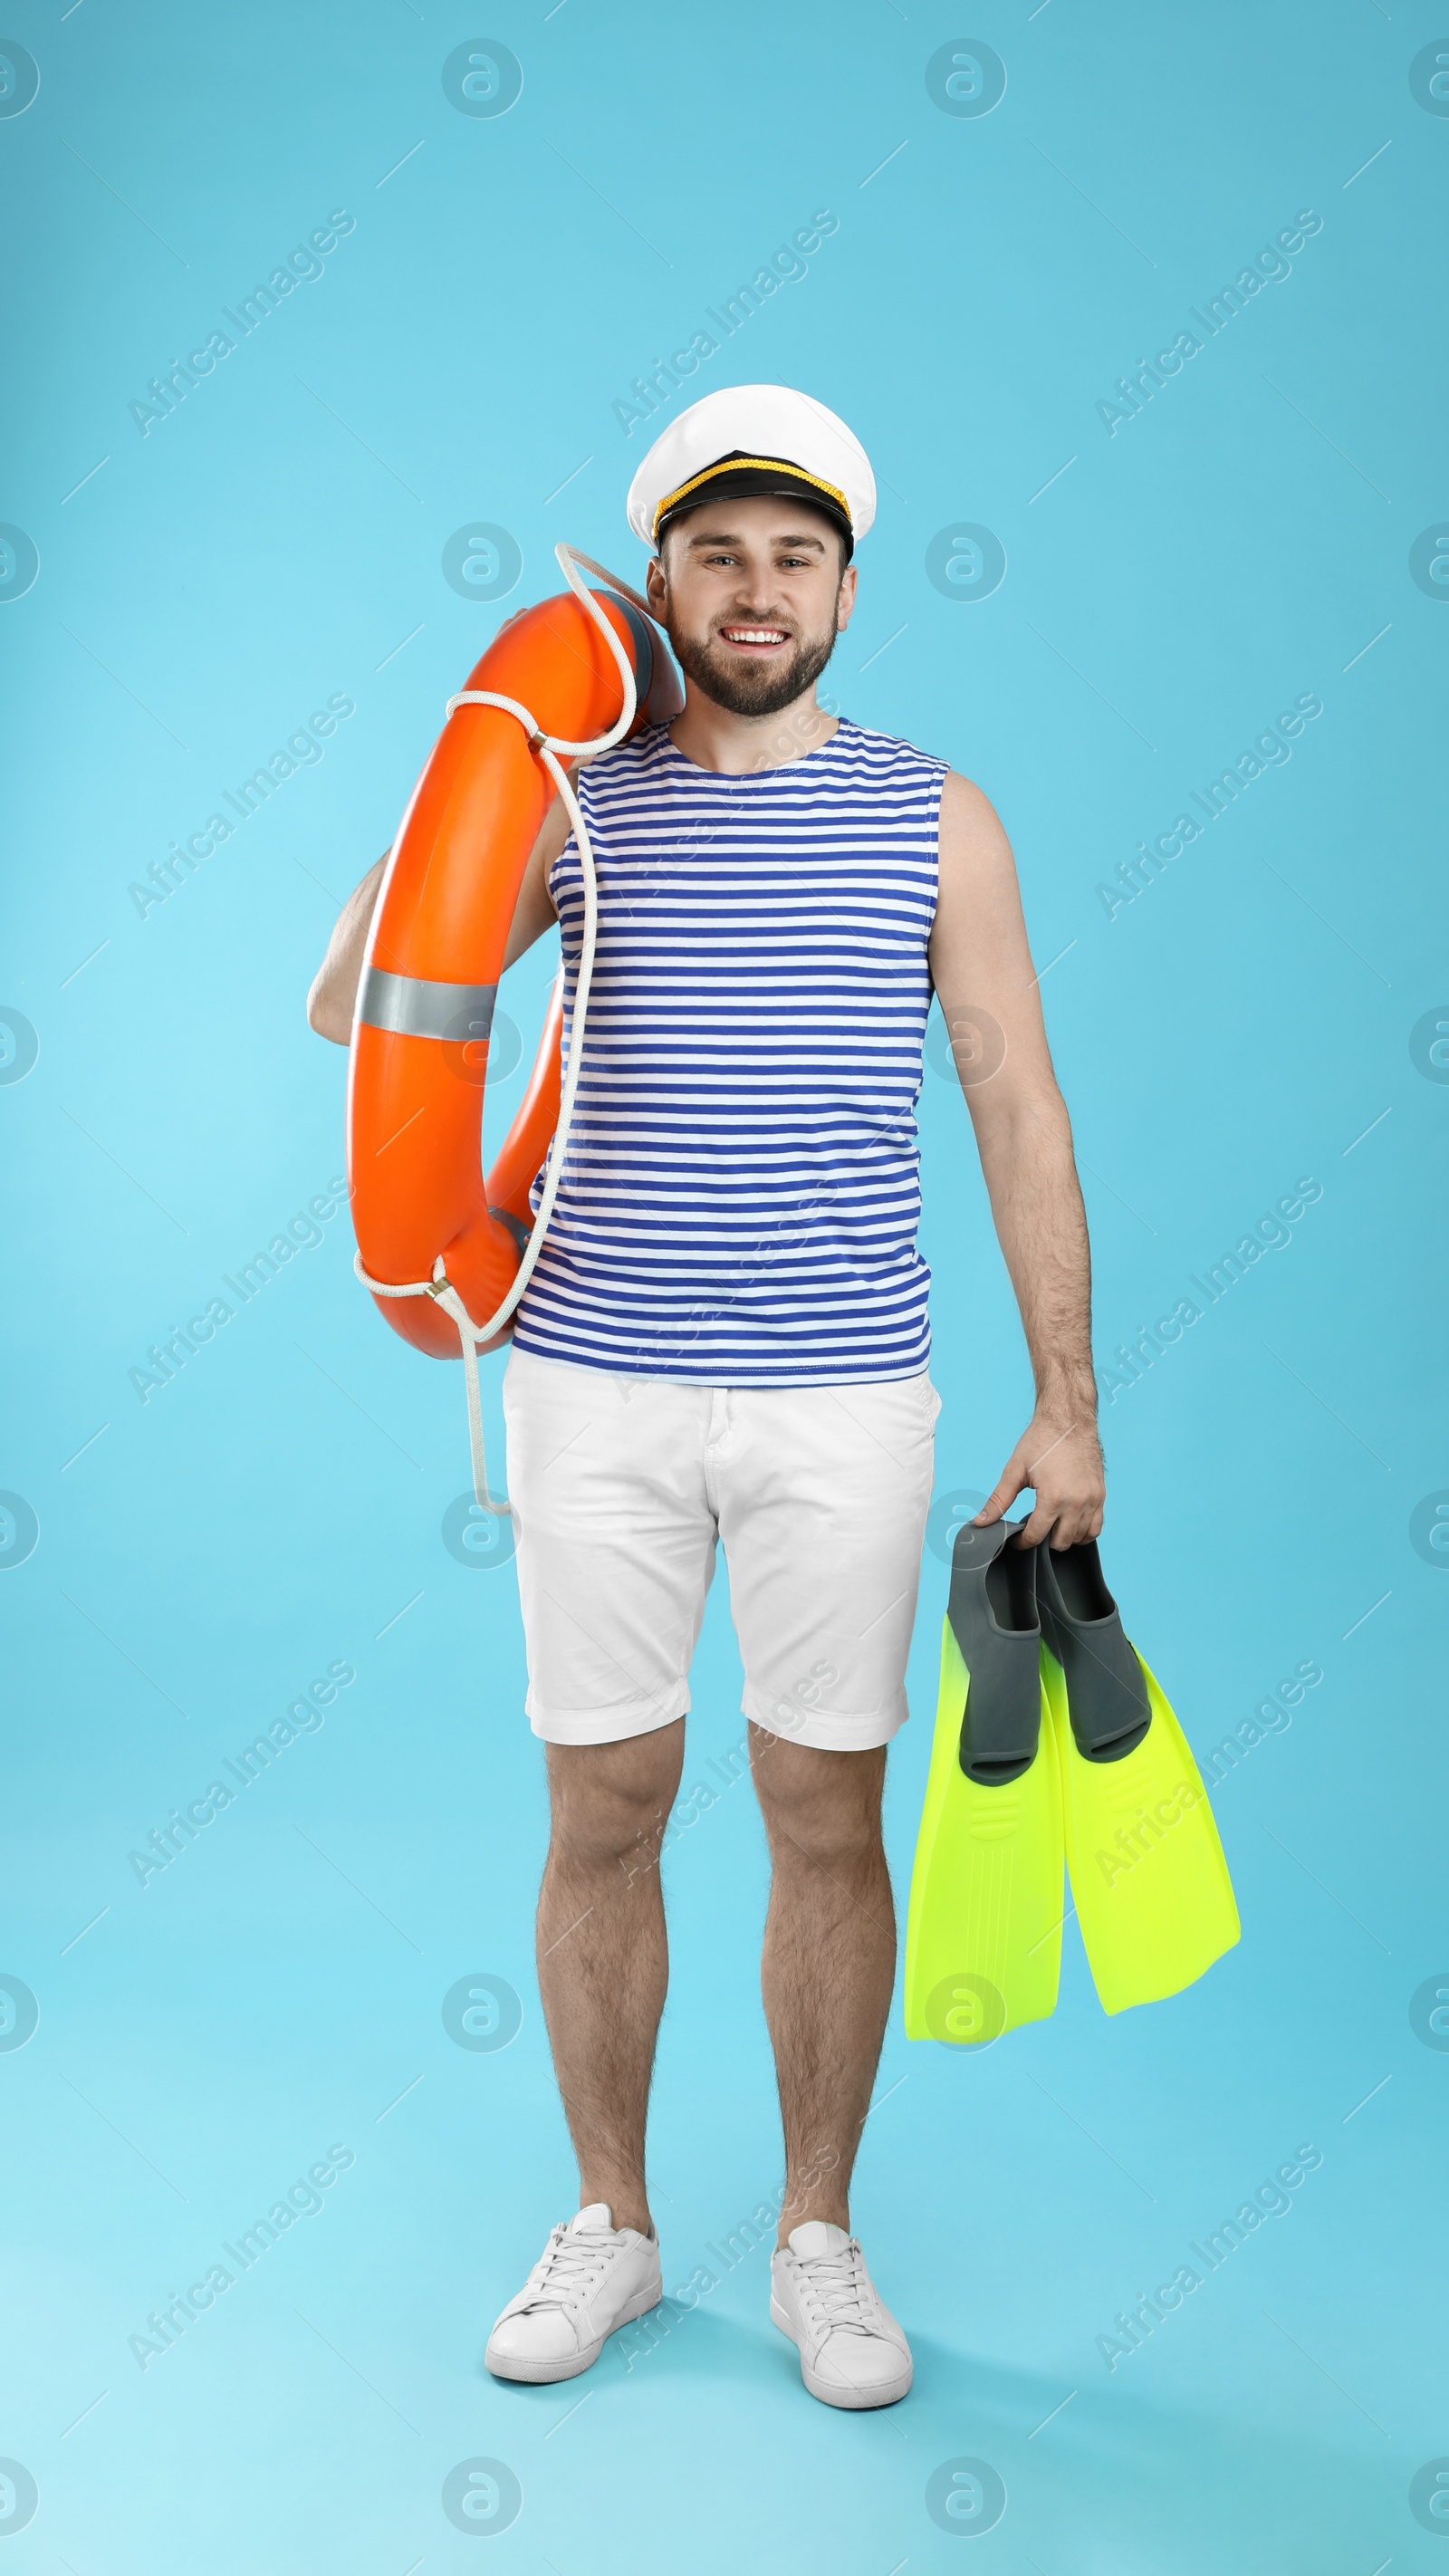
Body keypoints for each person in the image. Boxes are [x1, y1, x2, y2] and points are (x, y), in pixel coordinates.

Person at [307, 383, 1104, 2410]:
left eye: (795, 556)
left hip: (845, 1394)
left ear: (845, 583)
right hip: (595, 1383)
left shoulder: (934, 810)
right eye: (718, 554)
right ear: (659, 579)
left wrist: (1066, 1400)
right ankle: (616, 2228)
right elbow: (355, 1008)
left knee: (821, 1812)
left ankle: (817, 2238)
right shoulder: (582, 805)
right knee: (606, 1807)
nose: (757, 593)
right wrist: (470, 781)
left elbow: (1013, 1103)